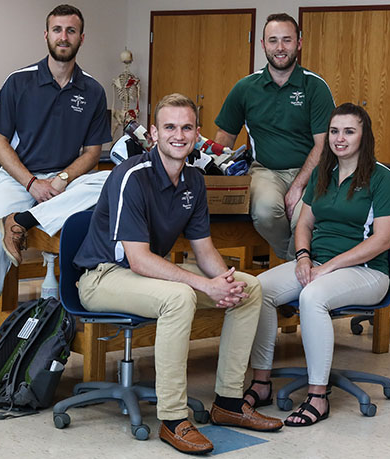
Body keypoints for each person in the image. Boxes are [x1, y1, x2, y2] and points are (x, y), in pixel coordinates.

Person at [74, 93, 282, 454]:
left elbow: (204, 250)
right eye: (169, 127)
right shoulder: (131, 176)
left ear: (196, 133)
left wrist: (224, 283)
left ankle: (229, 403)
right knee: (180, 296)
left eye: (187, 127)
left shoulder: (194, 181)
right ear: (154, 133)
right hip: (103, 276)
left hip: (147, 276)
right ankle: (173, 419)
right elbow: (138, 259)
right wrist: (204, 285)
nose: (179, 135)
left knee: (250, 287)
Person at [0, 4, 112, 401]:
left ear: (81, 39)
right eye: (57, 29)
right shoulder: (19, 82)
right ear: (46, 35)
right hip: (18, 180)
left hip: (65, 182)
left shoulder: (93, 90)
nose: (64, 37)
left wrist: (62, 180)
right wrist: (33, 183)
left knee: (109, 179)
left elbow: (92, 153)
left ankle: (22, 221)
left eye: (72, 31)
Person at [243, 103, 390, 426]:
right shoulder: (322, 174)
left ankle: (318, 397)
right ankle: (260, 383)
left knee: (311, 296)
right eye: (334, 131)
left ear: (364, 136)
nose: (339, 138)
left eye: (349, 131)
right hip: (317, 264)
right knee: (260, 289)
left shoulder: (382, 178)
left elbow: (382, 240)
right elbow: (304, 223)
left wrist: (328, 267)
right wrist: (302, 257)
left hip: (367, 272)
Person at [214, 12, 335, 261]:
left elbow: (323, 146)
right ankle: (294, 264)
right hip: (265, 171)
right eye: (273, 40)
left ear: (299, 43)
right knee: (266, 211)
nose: (280, 48)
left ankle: (292, 274)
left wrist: (298, 186)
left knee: (304, 219)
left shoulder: (315, 87)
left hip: (312, 171)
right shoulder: (245, 88)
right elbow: (223, 139)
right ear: (262, 45)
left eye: (287, 40)